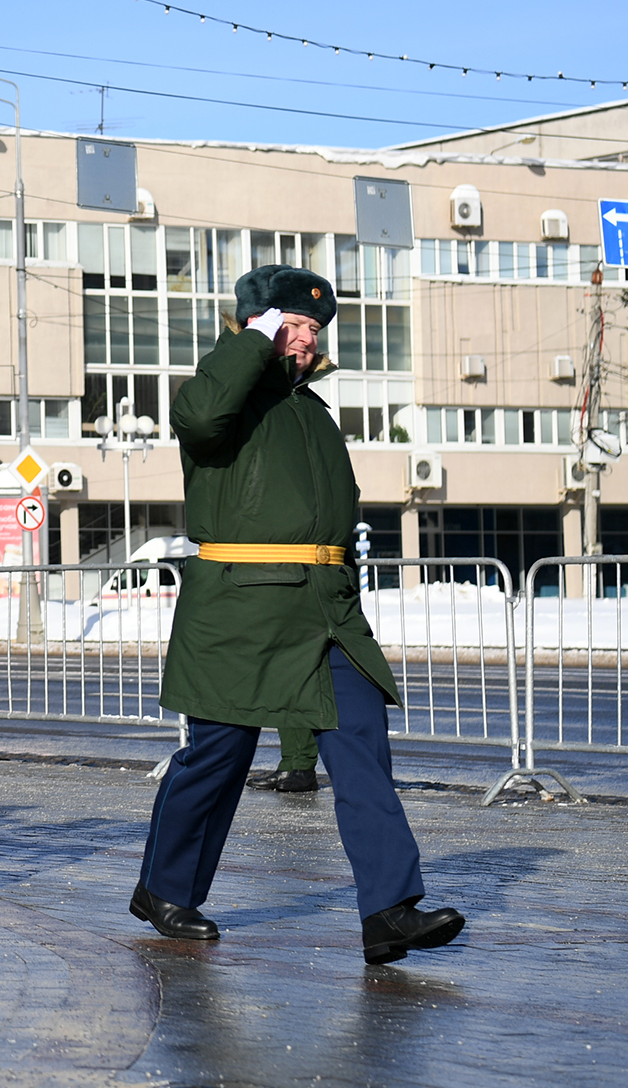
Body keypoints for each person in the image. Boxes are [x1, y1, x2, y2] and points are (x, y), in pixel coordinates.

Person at [134, 265, 465, 966]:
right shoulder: (227, 395)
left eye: (315, 330)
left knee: (361, 738)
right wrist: (253, 345)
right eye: (294, 326)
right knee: (219, 755)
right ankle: (164, 888)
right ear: (257, 326)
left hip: (323, 608)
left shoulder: (311, 410)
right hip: (240, 605)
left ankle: (389, 910)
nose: (308, 340)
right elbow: (196, 417)